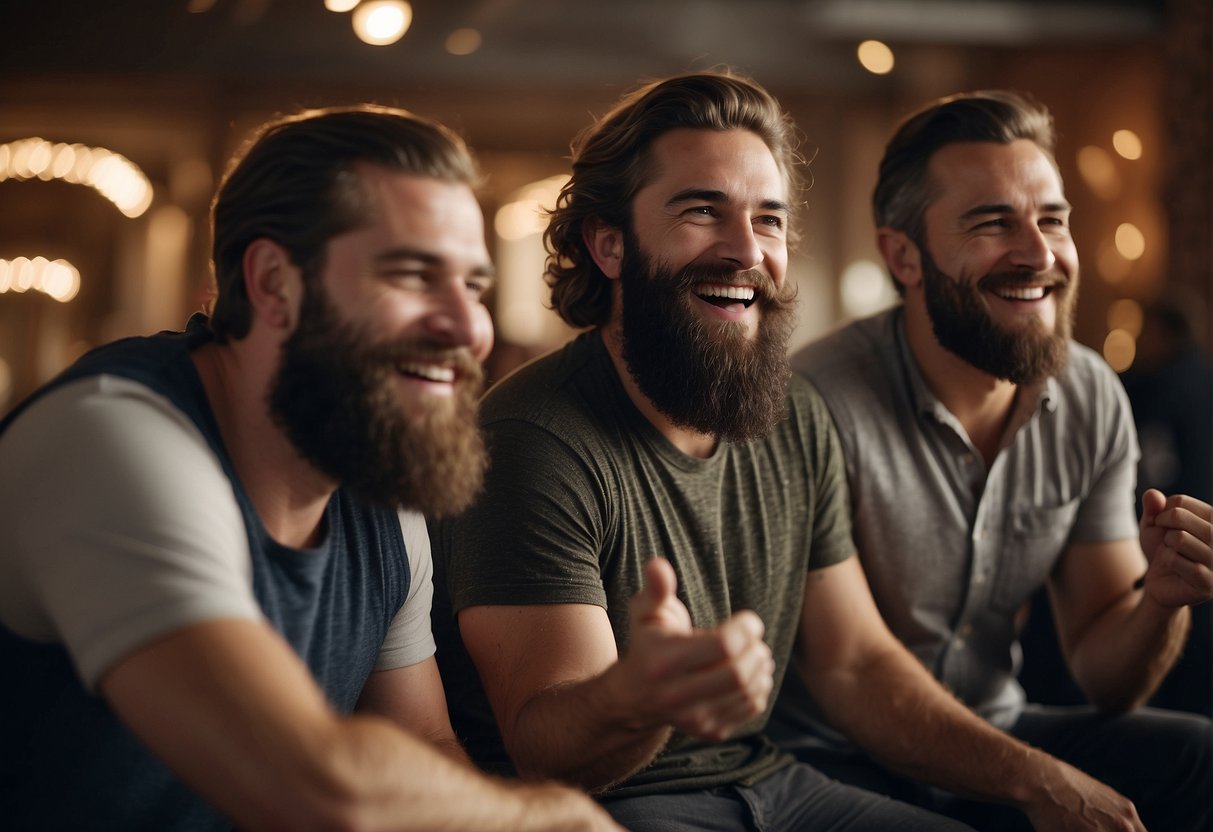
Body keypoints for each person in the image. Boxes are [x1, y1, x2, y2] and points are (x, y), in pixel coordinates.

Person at [431, 71, 1150, 832]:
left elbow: (854, 664)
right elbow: (547, 752)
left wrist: (1034, 780)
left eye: (768, 220)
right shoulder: (532, 438)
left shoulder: (791, 413)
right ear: (608, 244)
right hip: (605, 806)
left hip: (771, 781)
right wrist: (638, 697)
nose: (747, 250)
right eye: (702, 211)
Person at [0, 104, 620, 832]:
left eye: (474, 287)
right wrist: (557, 820)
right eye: (414, 275)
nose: (467, 327)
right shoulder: (111, 440)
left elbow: (422, 748)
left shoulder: (372, 471)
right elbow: (322, 787)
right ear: (272, 283)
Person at [774, 90, 1213, 831]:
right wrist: (1037, 783)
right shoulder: (812, 401)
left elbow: (1105, 675)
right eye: (991, 223)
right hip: (833, 755)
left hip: (997, 728)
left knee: (1196, 756)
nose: (1038, 253)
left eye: (1050, 219)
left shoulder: (1089, 395)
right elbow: (849, 672)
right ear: (902, 256)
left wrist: (1159, 604)